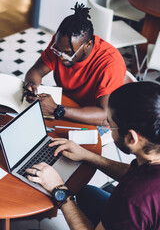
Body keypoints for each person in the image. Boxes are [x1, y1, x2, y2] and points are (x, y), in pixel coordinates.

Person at [26, 81, 160, 229]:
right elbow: (136, 173)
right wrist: (87, 155)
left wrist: (59, 190)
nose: (107, 127)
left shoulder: (131, 198)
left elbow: (138, 185)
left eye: (110, 123)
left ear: (131, 138)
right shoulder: (151, 160)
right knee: (87, 193)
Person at [24, 2, 126, 126]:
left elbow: (105, 116)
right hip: (66, 105)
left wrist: (57, 110)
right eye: (58, 50)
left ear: (87, 45)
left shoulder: (111, 63)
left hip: (91, 118)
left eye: (68, 53)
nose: (61, 56)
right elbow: (38, 71)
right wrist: (31, 84)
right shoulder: (62, 44)